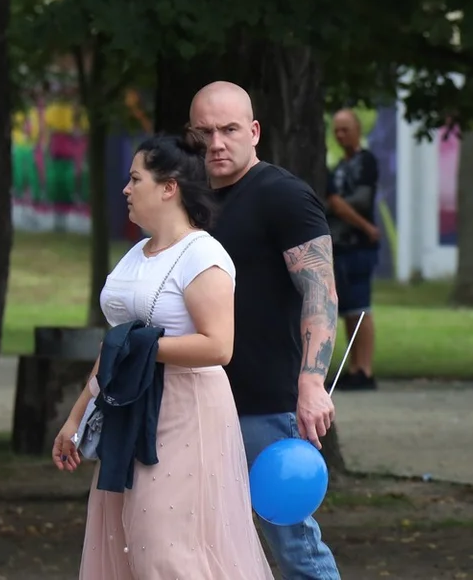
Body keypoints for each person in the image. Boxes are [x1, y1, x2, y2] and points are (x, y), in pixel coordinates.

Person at [52, 133, 274, 580]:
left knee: (166, 547)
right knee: (123, 540)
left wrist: (139, 347)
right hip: (128, 411)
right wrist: (76, 418)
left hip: (185, 412)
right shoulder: (138, 253)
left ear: (169, 187)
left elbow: (218, 346)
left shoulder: (203, 254)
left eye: (135, 179)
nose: (126, 190)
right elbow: (114, 344)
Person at [189, 81, 342, 580]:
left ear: (253, 131)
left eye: (229, 129)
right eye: (205, 132)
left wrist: (312, 382)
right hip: (196, 398)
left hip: (267, 404)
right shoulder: (187, 205)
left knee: (294, 543)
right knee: (202, 541)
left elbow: (321, 292)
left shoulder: (284, 195)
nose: (217, 142)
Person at [325, 108, 380, 390]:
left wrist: (339, 207)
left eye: (345, 128)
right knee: (348, 308)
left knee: (361, 307)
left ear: (358, 130)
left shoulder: (366, 162)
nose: (340, 135)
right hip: (340, 246)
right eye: (337, 130)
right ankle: (354, 365)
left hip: (359, 246)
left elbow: (356, 201)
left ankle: (366, 369)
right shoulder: (338, 168)